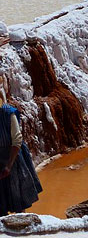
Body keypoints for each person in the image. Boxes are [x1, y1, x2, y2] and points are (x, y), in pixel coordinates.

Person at [0, 87, 42, 216]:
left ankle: (21, 224)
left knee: (17, 195)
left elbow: (17, 141)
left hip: (13, 157)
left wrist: (8, 166)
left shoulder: (9, 114)